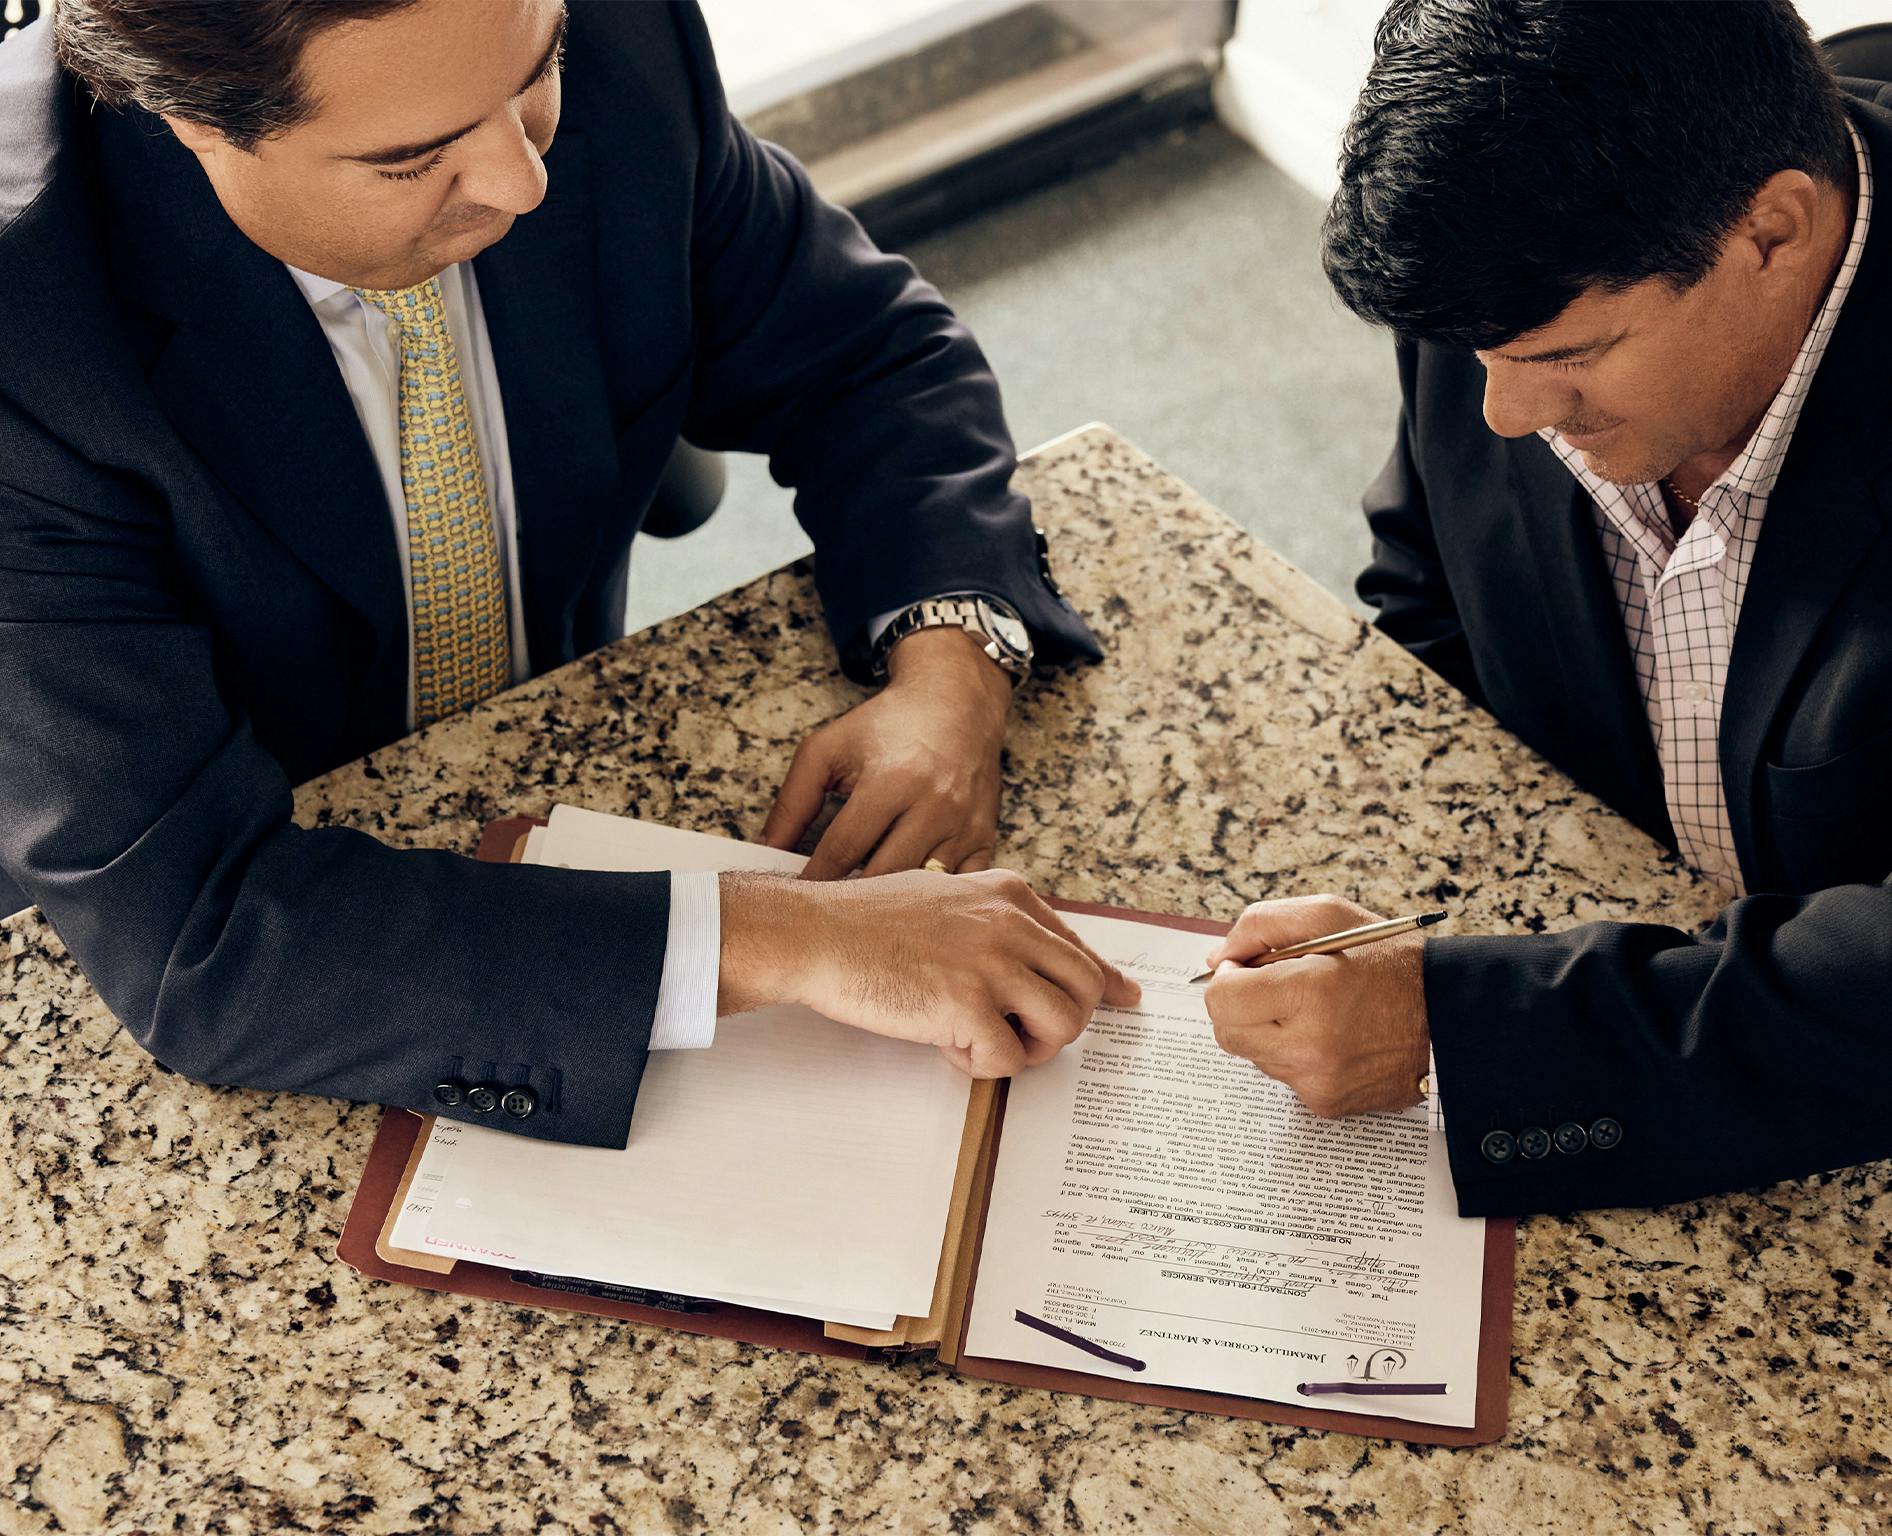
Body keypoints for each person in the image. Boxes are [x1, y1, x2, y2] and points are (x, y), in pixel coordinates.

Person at [0, 0, 1136, 1150]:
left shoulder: (617, 43)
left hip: (545, 755)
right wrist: (791, 939)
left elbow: (863, 356)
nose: (520, 180)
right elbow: (206, 941)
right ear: (187, 119)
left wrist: (952, 659)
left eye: (533, 74)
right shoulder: (26, 347)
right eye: (412, 159)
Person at [1203, 0, 1892, 1215]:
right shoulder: (1512, 281)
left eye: (1568, 356)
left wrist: (1477, 1029)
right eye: (1472, 355)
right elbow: (1428, 582)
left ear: (1773, 233)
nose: (1505, 419)